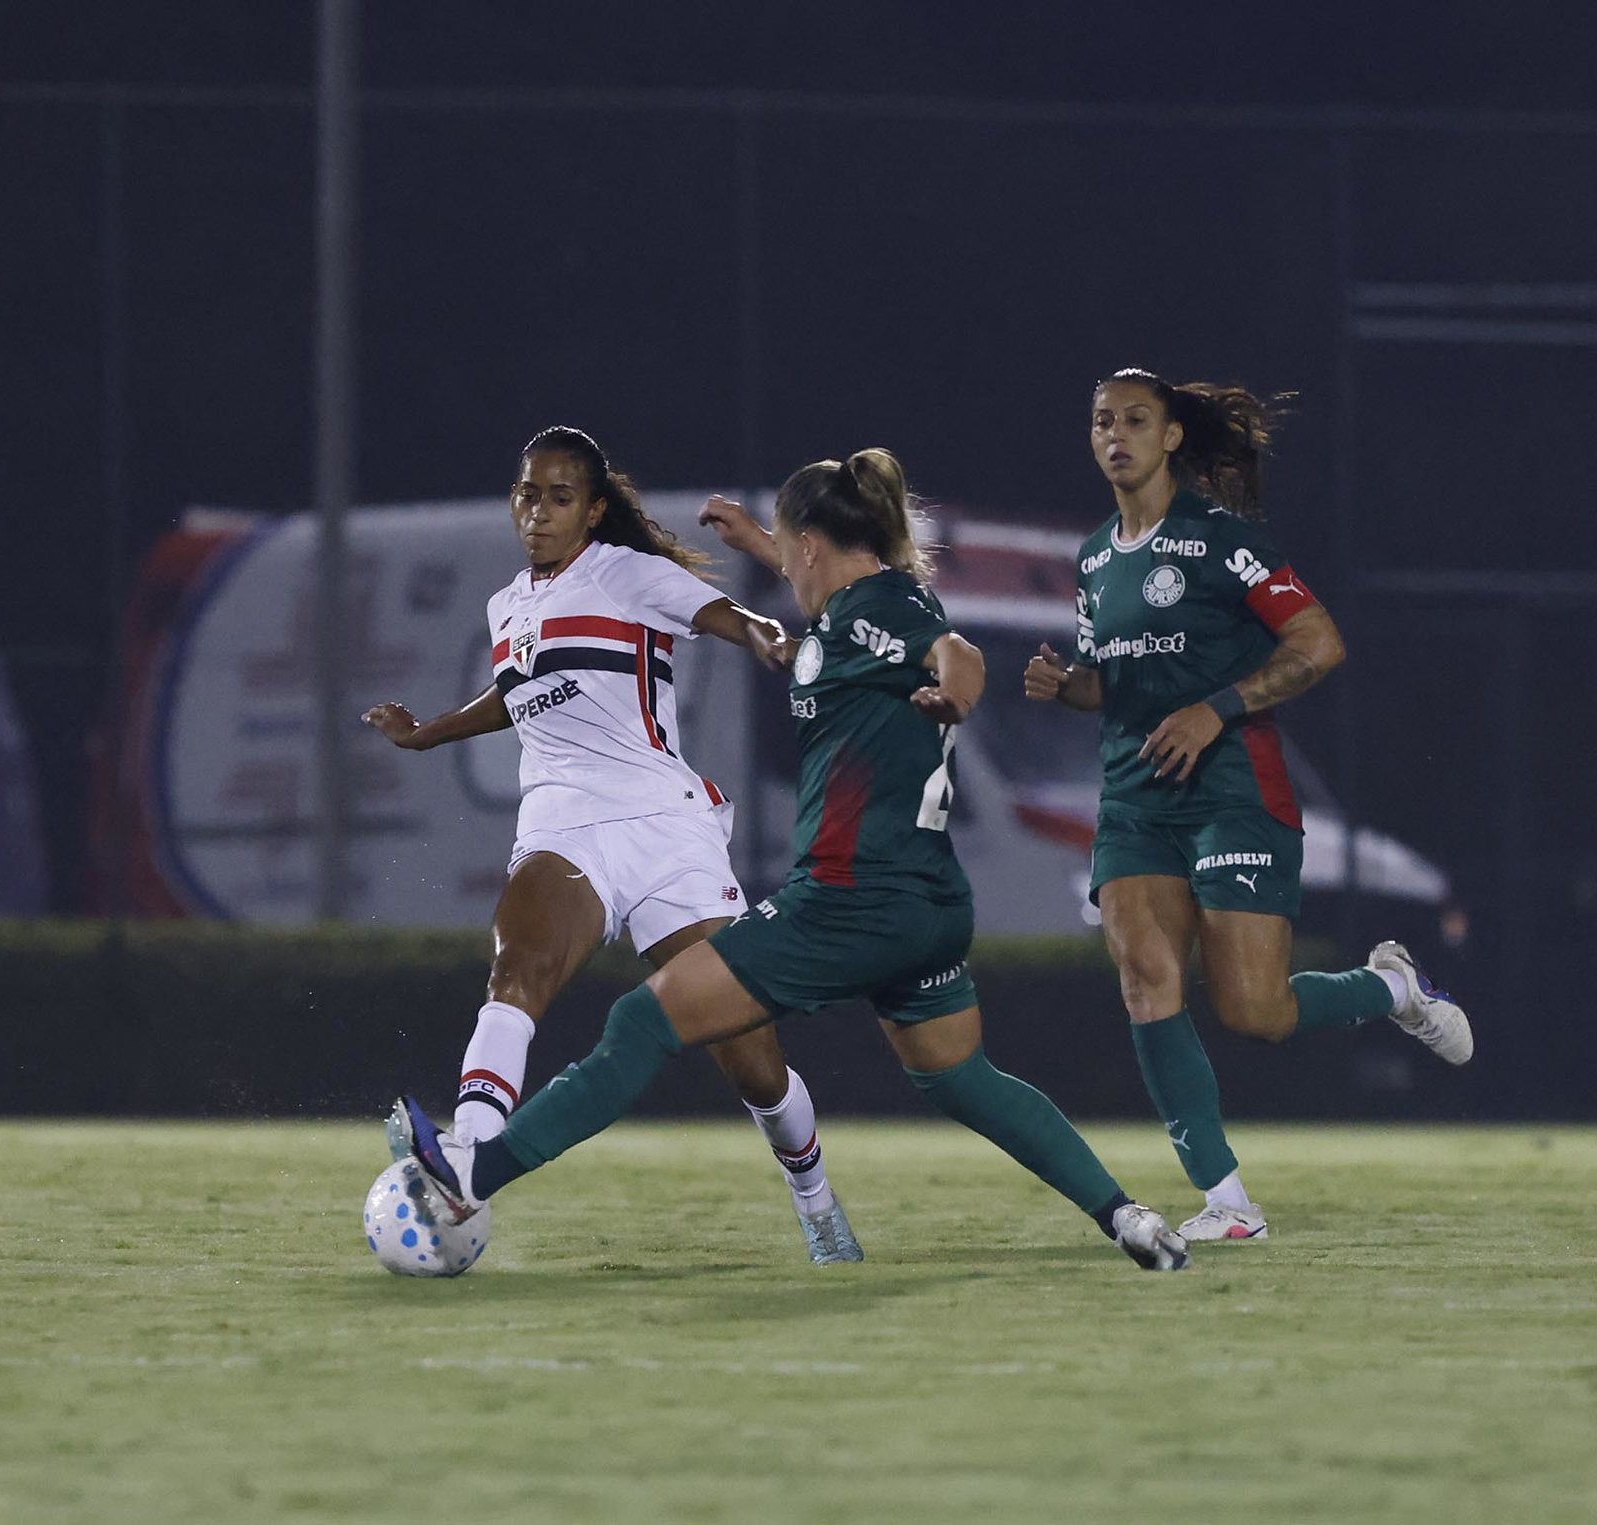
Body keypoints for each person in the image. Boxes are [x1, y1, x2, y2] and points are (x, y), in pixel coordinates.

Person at [388, 447, 1193, 1273]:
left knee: (641, 1021)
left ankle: (473, 1171)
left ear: (810, 544)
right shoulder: (862, 603)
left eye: (787, 546)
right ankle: (1126, 1216)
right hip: (928, 905)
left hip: (844, 903)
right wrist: (755, 540)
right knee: (962, 1079)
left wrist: (956, 692)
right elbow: (852, 599)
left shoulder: (875, 613)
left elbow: (958, 652)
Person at [363, 425, 862, 1264]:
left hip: (664, 826)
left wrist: (764, 635)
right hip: (562, 822)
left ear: (594, 510)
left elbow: (722, 612)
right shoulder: (506, 604)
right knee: (518, 965)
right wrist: (429, 732)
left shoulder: (626, 573)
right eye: (528, 494)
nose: (539, 511)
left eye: (560, 497)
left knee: (752, 1059)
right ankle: (466, 1154)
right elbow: (515, 691)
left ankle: (816, 1201)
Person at [1022, 368, 1472, 1242]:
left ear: (1171, 436)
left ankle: (1392, 988)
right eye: (1103, 421)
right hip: (1134, 796)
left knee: (1254, 1010)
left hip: (1232, 789)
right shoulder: (1094, 557)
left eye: (1136, 420)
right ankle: (1228, 1202)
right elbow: (1112, 683)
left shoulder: (1223, 541)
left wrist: (1217, 707)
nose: (1116, 435)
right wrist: (1069, 684)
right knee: (1145, 975)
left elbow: (1320, 643)